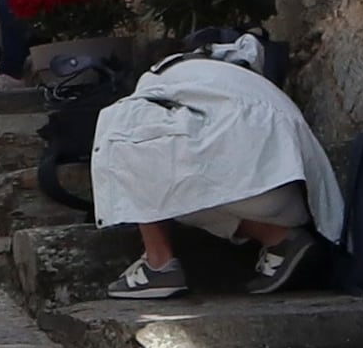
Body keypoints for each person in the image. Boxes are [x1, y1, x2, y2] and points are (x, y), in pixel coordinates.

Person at [89, 30, 339, 297]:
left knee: (126, 132)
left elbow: (135, 133)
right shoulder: (237, 74)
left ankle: (158, 264)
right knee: (196, 186)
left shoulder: (155, 77)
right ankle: (279, 239)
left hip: (249, 187)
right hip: (299, 197)